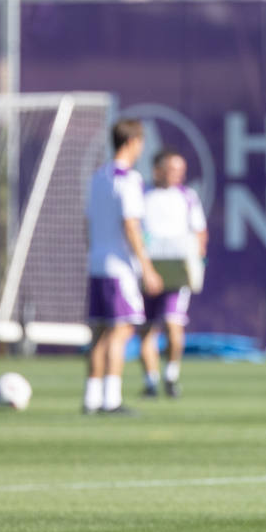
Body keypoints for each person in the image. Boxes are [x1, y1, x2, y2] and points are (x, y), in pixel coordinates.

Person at [85, 118, 162, 415]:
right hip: (119, 267)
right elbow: (131, 225)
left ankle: (92, 398)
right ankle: (111, 399)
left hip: (97, 263)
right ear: (132, 142)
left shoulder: (98, 177)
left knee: (100, 334)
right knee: (121, 331)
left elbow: (87, 222)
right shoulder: (129, 180)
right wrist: (147, 267)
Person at [139, 148, 208, 398]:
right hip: (146, 268)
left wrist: (197, 259)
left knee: (173, 323)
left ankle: (171, 375)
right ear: (157, 169)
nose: (177, 174)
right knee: (146, 328)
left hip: (176, 271)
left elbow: (199, 231)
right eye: (172, 169)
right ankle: (150, 381)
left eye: (180, 170)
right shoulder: (142, 194)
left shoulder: (187, 197)